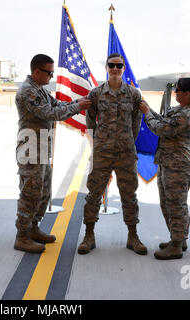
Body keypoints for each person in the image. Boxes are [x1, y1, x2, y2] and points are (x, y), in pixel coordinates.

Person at [15, 54, 92, 253]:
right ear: (37, 71)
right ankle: (22, 236)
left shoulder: (39, 90)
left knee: (42, 191)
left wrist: (77, 102)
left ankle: (33, 228)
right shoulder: (28, 92)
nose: (51, 76)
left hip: (40, 148)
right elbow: (50, 114)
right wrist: (78, 107)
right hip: (31, 149)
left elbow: (56, 105)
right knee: (30, 193)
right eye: (49, 73)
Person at [78, 53, 147, 255]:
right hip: (103, 153)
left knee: (129, 195)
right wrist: (98, 142)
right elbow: (90, 121)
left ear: (123, 68)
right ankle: (89, 235)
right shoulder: (96, 93)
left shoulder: (133, 94)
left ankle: (133, 236)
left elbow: (136, 122)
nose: (115, 69)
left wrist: (127, 142)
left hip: (125, 152)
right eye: (111, 65)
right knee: (93, 195)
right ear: (106, 67)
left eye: (118, 66)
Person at [139, 77, 190, 260]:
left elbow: (160, 128)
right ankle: (179, 239)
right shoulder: (180, 110)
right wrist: (148, 109)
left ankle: (176, 245)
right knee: (168, 203)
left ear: (187, 94)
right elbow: (163, 119)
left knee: (176, 205)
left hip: (178, 166)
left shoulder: (185, 115)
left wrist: (146, 114)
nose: (175, 93)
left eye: (178, 90)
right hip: (168, 163)